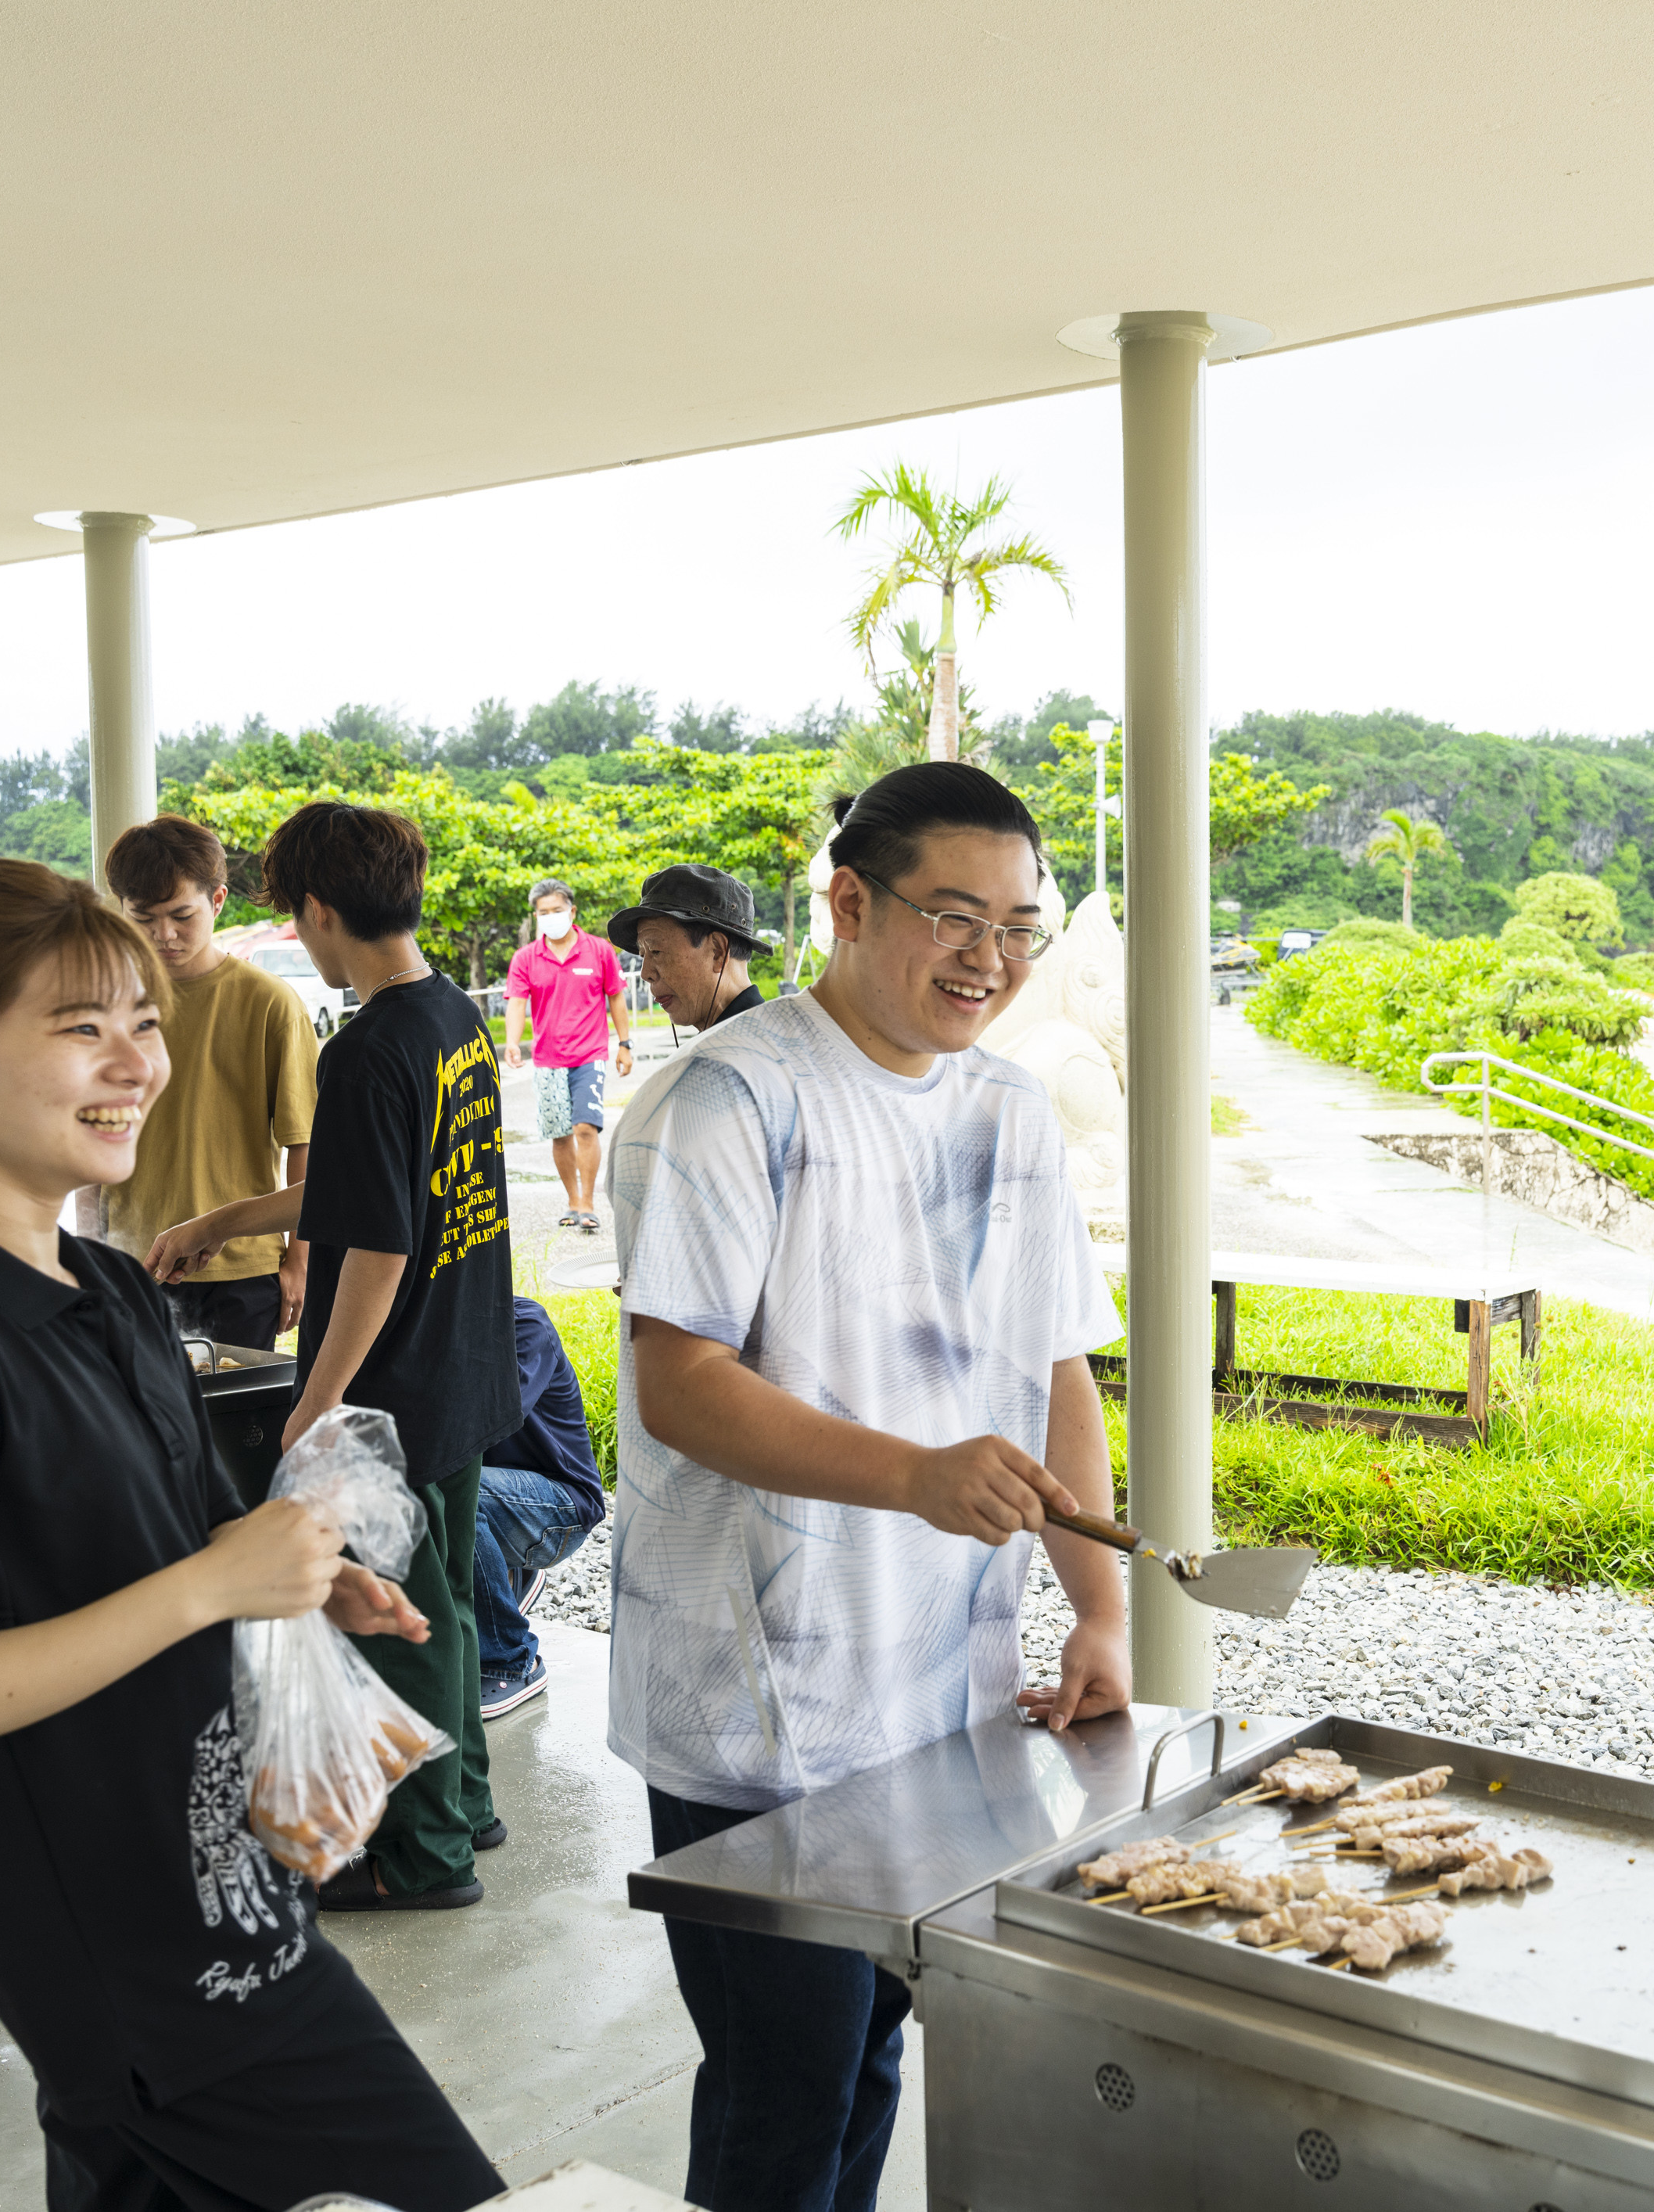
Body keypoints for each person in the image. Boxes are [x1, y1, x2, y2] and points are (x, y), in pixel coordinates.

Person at [0, 856, 501, 2212]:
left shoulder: (109, 1287)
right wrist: (205, 1584)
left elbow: (164, 1536)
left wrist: (296, 1581)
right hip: (136, 1978)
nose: (137, 1062)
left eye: (144, 1021)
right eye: (81, 1028)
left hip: (228, 1896)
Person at [605, 760, 1129, 2212]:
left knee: (881, 2051)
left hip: (939, 1692)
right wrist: (913, 1472)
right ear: (848, 900)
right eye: (954, 917)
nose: (993, 957)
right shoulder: (728, 1097)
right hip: (753, 1704)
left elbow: (1055, 1374)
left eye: (1020, 925)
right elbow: (681, 1381)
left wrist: (1099, 1610)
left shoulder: (1009, 1113)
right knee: (786, 2084)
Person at [152, 801, 519, 1911]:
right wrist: (229, 1219)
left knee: (400, 1620)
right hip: (463, 1364)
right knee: (444, 1600)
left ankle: (423, 1861)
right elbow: (373, 1182)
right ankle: (467, 1807)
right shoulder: (451, 1017)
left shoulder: (363, 1049)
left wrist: (321, 1399)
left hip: (394, 1387)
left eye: (294, 918)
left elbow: (378, 1244)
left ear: (319, 910)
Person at [86, 815, 318, 1348]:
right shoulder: (104, 1006)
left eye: (181, 916)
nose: (164, 935)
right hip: (130, 1265)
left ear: (216, 902)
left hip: (242, 1269)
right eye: (143, 918)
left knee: (231, 1426)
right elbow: (85, 1140)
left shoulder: (269, 1003)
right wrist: (88, 1249)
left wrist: (299, 1259)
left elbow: (304, 1144)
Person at [472, 1294, 604, 1719]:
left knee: (450, 1491)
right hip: (510, 1499)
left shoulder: (524, 1325)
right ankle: (506, 1578)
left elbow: (490, 1418)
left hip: (561, 1507)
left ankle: (511, 1660)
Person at [504, 878, 631, 1235]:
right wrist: (513, 1042)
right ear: (536, 917)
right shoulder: (526, 958)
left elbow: (616, 996)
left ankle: (589, 1204)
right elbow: (516, 1003)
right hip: (548, 1059)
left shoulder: (598, 951)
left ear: (572, 911)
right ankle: (573, 1201)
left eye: (557, 910)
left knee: (586, 1128)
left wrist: (625, 1043)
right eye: (543, 913)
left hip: (590, 1055)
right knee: (560, 1135)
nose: (551, 917)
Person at [608, 864, 769, 1034]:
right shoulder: (735, 1037)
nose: (645, 974)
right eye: (643, 955)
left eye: (656, 952)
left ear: (718, 952)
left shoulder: (746, 1050)